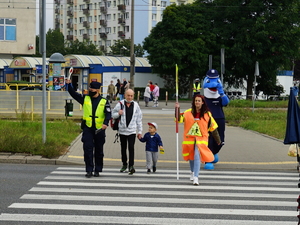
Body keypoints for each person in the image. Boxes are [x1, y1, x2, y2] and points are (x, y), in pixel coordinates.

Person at [65, 79, 111, 178]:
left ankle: (97, 170)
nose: (90, 90)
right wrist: (69, 84)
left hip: (99, 130)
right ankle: (89, 170)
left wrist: (106, 123)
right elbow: (74, 94)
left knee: (99, 151)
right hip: (88, 129)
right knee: (88, 150)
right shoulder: (85, 98)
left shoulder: (104, 101)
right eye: (90, 88)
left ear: (97, 90)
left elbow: (108, 114)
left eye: (92, 88)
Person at [175, 95, 221, 185]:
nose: (197, 102)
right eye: (196, 101)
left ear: (202, 102)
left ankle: (196, 177)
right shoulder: (188, 112)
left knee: (197, 156)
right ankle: (192, 172)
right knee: (191, 157)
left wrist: (218, 140)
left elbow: (213, 127)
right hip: (189, 139)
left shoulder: (207, 114)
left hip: (201, 140)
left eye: (199, 101)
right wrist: (177, 109)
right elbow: (178, 119)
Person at [112, 89, 143, 175]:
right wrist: (118, 113)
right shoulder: (120, 104)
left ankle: (131, 166)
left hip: (132, 131)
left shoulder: (136, 105)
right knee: (123, 148)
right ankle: (124, 164)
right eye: (128, 95)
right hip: (122, 131)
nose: (129, 97)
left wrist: (139, 131)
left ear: (133, 96)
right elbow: (112, 114)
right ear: (125, 95)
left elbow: (139, 119)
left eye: (131, 96)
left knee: (131, 148)